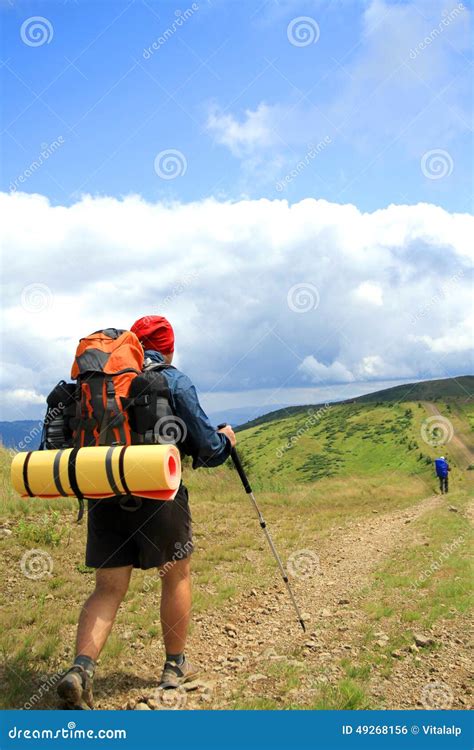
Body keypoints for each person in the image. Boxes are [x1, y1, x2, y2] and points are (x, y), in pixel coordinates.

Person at [57, 315, 236, 708]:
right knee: (175, 575)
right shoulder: (173, 380)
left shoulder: (103, 383)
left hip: (104, 485)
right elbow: (207, 448)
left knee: (107, 588)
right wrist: (225, 440)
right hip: (159, 494)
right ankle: (174, 667)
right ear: (170, 347)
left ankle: (81, 669)